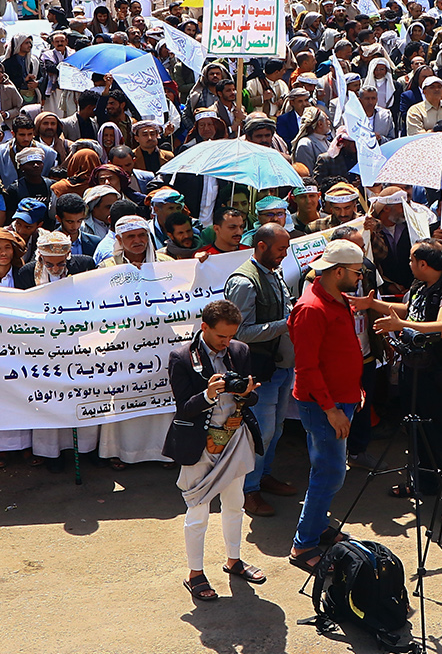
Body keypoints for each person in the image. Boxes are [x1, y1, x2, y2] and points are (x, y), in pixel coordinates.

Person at [163, 299, 267, 602]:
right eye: (221, 336)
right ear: (204, 327)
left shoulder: (240, 352)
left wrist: (247, 394)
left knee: (235, 503)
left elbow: (250, 400)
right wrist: (208, 395)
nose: (227, 343)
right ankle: (195, 573)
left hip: (234, 437)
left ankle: (233, 560)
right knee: (198, 511)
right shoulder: (182, 357)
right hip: (199, 444)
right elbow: (184, 408)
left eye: (231, 336)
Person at [367, 241, 442, 525]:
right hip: (415, 369)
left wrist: (400, 327)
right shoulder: (421, 283)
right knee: (416, 430)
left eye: (411, 259)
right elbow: (408, 308)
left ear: (423, 264)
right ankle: (424, 484)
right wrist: (372, 304)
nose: (409, 264)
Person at [285, 240, 369, 574]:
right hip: (323, 406)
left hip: (340, 399)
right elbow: (306, 367)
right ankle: (303, 544)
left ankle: (318, 526)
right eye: (356, 273)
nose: (359, 278)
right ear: (338, 272)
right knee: (330, 472)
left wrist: (354, 387)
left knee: (327, 470)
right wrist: (332, 408)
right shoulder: (311, 309)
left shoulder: (339, 301)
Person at [223, 222, 298, 519]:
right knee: (260, 433)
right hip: (257, 371)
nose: (285, 254)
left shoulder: (273, 273)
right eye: (281, 249)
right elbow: (238, 332)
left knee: (275, 429)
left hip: (279, 366)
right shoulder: (245, 281)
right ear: (262, 247)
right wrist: (289, 324)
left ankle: (263, 476)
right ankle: (248, 490)